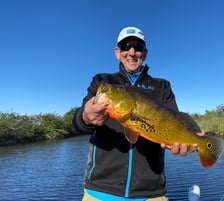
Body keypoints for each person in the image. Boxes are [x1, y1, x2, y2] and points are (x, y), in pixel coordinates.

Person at [72, 26, 203, 201]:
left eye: (138, 47)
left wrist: (182, 142)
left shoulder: (162, 86)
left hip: (151, 193)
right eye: (126, 46)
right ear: (117, 52)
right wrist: (85, 116)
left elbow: (175, 122)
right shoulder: (102, 82)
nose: (132, 52)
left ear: (145, 53)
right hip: (100, 191)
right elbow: (77, 124)